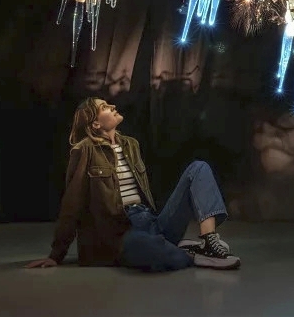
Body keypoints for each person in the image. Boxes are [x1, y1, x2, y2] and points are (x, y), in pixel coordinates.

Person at [25, 97, 239, 271]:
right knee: (159, 253)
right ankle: (178, 251)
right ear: (96, 124)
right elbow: (72, 204)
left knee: (199, 168)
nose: (113, 106)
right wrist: (56, 255)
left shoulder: (130, 144)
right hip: (121, 234)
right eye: (105, 107)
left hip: (150, 222)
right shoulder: (85, 151)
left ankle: (208, 241)